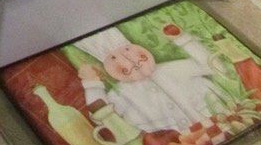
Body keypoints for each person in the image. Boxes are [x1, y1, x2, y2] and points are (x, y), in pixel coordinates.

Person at [76, 23, 229, 134]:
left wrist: (183, 40)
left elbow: (214, 67)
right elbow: (102, 118)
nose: (129, 61)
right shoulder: (122, 93)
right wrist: (92, 84)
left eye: (128, 50)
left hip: (222, 121)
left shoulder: (171, 69)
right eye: (114, 59)